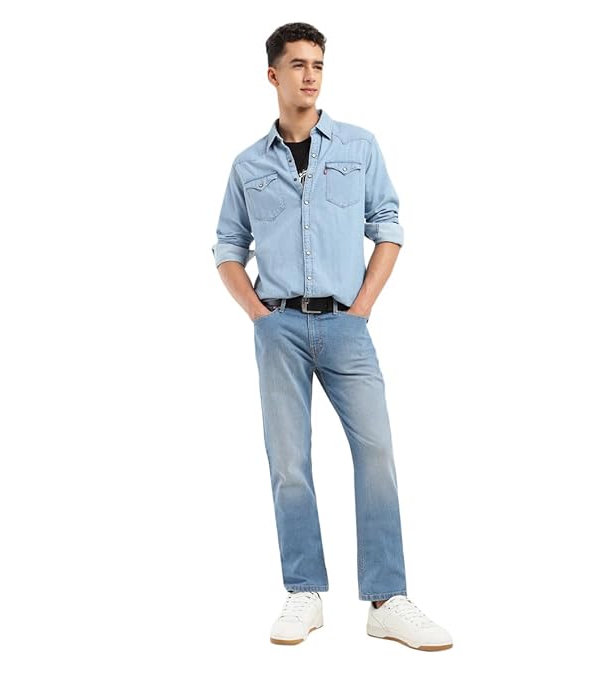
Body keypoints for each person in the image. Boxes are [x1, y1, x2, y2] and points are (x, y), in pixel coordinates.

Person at [212, 22, 453, 652]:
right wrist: (259, 316)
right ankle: (304, 592)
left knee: (376, 453)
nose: (310, 75)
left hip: (347, 325)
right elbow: (227, 247)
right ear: (273, 75)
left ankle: (387, 599)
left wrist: (362, 309)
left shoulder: (358, 146)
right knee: (289, 463)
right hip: (279, 327)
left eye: (317, 64)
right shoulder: (248, 165)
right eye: (297, 64)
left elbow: (389, 225)